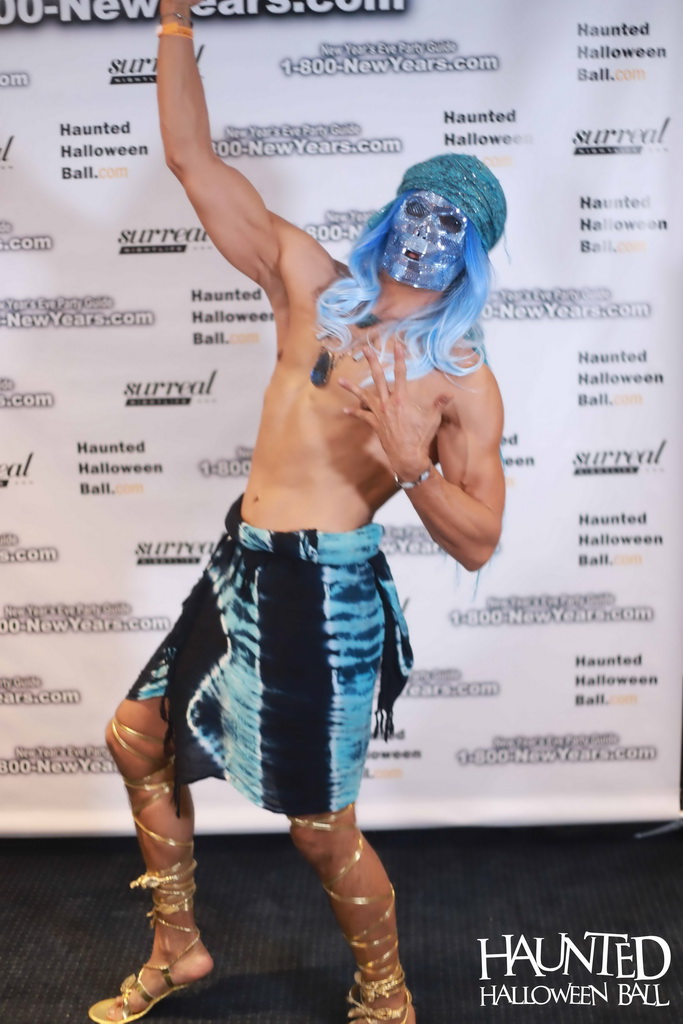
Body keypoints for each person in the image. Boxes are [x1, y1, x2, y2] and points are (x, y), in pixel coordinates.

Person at [87, 7, 507, 1024]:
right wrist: (175, 20)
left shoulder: (459, 381)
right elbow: (192, 160)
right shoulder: (310, 286)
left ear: (473, 256)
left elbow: (479, 540)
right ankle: (177, 946)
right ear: (391, 211)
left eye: (450, 225)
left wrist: (410, 468)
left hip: (326, 596)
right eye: (417, 208)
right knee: (136, 735)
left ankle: (385, 994)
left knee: (319, 829)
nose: (424, 234)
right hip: (242, 563)